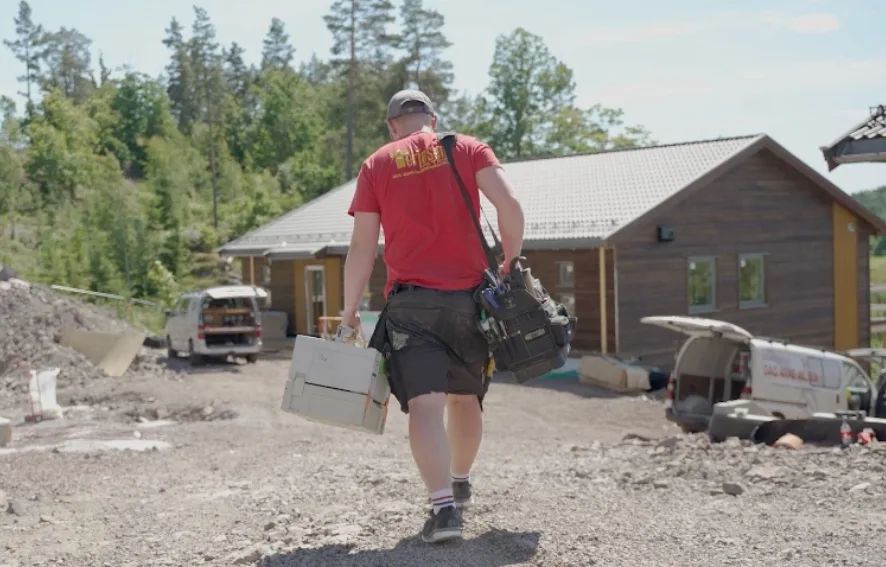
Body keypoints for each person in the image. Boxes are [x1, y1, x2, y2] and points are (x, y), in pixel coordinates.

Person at [341, 89, 525, 543]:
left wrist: (349, 314)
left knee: (425, 407)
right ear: (432, 118)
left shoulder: (376, 165)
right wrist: (510, 263)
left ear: (392, 126)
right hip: (470, 301)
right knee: (466, 399)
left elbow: (363, 246)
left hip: (411, 305)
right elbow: (510, 205)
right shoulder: (467, 147)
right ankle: (460, 480)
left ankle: (444, 512)